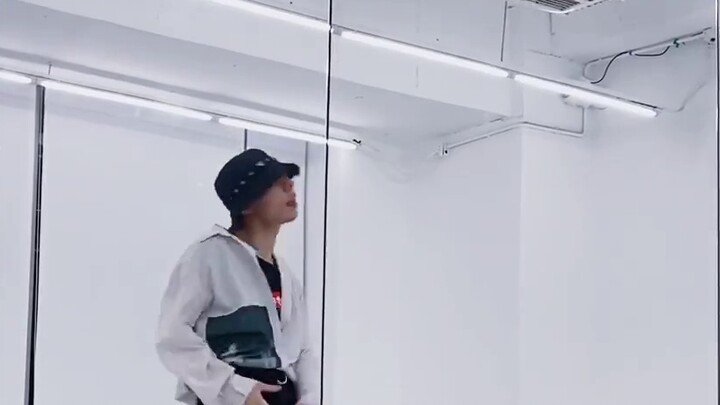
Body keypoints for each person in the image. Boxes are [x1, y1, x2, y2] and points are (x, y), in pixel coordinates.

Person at [156, 149, 319, 405]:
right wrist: (237, 390)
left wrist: (309, 397)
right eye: (275, 183)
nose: (289, 186)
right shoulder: (208, 256)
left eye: (287, 180)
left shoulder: (286, 275)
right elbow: (172, 336)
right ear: (247, 204)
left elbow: (303, 349)